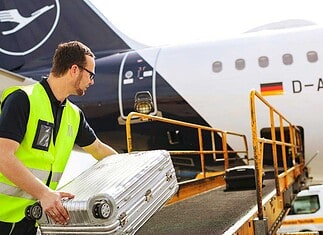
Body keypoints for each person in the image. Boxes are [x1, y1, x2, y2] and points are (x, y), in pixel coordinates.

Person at [0, 41, 118, 234]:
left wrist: (133, 165)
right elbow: (3, 156)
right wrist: (44, 193)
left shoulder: (74, 115)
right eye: (91, 75)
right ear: (74, 69)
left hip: (32, 219)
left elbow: (97, 148)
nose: (92, 81)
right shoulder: (23, 99)